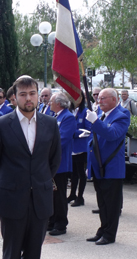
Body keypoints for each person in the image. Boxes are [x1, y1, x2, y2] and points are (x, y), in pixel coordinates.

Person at [0, 75, 61, 259]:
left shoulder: (50, 123)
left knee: (33, 256)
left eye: (32, 93)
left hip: (40, 199)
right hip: (11, 200)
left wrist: (40, 182)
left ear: (38, 95)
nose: (28, 98)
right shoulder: (1, 124)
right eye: (23, 94)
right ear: (14, 97)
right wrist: (8, 187)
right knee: (11, 255)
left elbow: (54, 161)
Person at [85, 88, 130, 245]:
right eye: (98, 98)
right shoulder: (101, 114)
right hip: (98, 165)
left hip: (111, 167)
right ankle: (103, 230)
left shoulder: (122, 115)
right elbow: (94, 140)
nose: (99, 101)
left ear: (114, 99)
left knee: (111, 205)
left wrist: (95, 122)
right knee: (102, 202)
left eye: (103, 98)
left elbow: (112, 134)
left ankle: (110, 234)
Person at [47, 92, 76, 236]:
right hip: (50, 162)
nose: (49, 104)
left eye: (51, 101)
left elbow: (62, 140)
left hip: (60, 163)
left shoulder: (68, 117)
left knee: (59, 195)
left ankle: (61, 224)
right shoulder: (56, 116)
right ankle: (51, 220)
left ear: (58, 103)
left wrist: (45, 148)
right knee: (51, 194)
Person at [69, 99, 92, 207]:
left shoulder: (85, 111)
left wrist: (74, 133)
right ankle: (72, 194)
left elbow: (88, 130)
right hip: (72, 147)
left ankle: (80, 196)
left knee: (80, 172)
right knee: (73, 173)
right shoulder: (70, 111)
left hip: (81, 147)